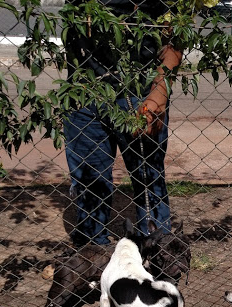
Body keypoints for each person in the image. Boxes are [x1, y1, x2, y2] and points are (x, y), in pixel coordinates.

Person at [63, 0, 183, 246]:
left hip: (139, 92)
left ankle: (158, 265)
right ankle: (92, 262)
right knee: (89, 182)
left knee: (148, 180)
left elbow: (178, 27)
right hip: (82, 91)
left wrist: (158, 95)